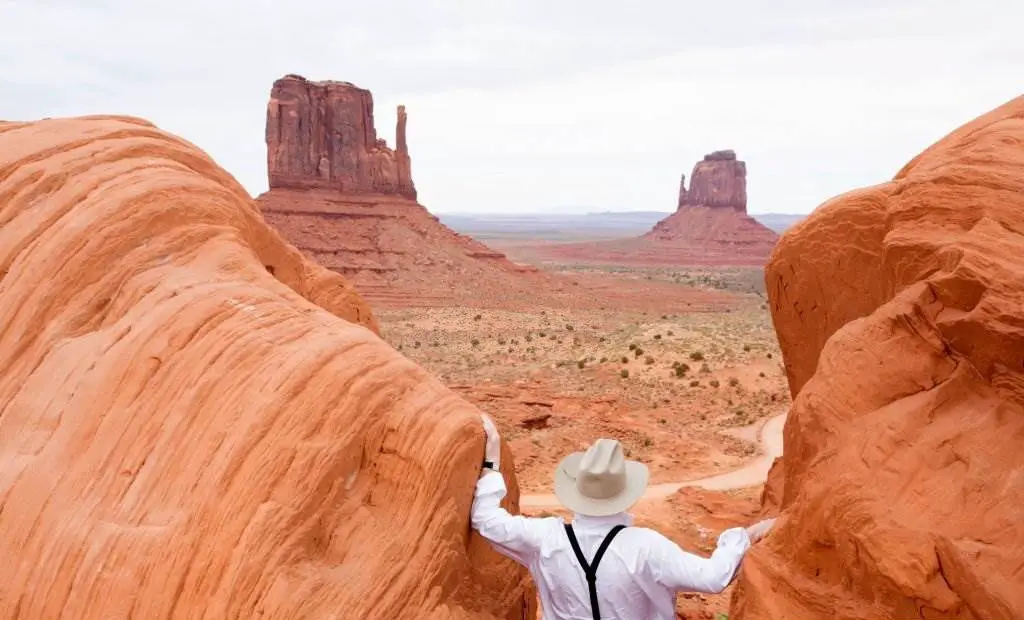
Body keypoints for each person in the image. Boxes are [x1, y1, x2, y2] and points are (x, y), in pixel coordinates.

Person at [471, 414, 776, 620]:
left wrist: (491, 461)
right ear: (624, 493)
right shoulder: (646, 547)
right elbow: (713, 578)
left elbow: (486, 521)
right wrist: (742, 538)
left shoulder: (544, 538)